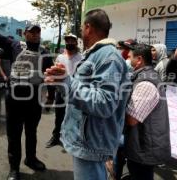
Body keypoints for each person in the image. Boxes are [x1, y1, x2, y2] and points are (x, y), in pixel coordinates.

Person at [0, 0, 55, 180]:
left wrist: (50, 96)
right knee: (14, 134)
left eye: (38, 31)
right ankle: (14, 168)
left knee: (31, 132)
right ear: (24, 33)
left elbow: (50, 75)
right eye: (31, 31)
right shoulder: (14, 45)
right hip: (15, 99)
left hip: (34, 99)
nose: (35, 34)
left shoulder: (45, 52)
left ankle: (31, 158)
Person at [45, 9, 131, 180]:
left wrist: (68, 82)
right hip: (87, 141)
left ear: (88, 27)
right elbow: (82, 92)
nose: (80, 33)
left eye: (82, 28)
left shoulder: (108, 57)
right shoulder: (96, 55)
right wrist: (61, 81)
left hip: (90, 144)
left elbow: (104, 103)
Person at [124, 43, 171, 180]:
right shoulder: (143, 76)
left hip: (144, 148)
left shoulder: (146, 83)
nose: (127, 58)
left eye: (130, 57)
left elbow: (132, 119)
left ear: (139, 60)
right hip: (142, 146)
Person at [45, 33, 82, 148]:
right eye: (68, 41)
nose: (70, 43)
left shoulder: (81, 58)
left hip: (74, 92)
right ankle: (56, 137)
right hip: (60, 92)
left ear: (76, 42)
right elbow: (54, 74)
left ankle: (71, 139)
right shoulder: (60, 57)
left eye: (72, 41)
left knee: (74, 116)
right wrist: (49, 91)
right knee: (59, 116)